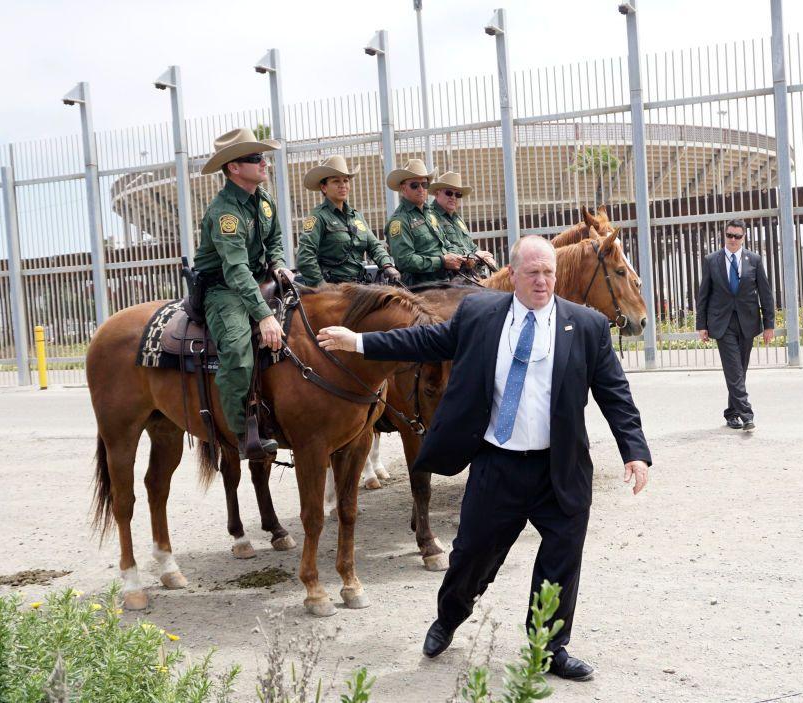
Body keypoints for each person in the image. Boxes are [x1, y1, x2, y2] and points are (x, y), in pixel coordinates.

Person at [317, 235, 652, 681]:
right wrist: (359, 342)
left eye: (548, 272)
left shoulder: (586, 326)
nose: (542, 280)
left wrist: (635, 452)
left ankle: (549, 648)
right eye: (532, 272)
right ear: (513, 275)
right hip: (499, 463)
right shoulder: (480, 315)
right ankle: (449, 618)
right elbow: (425, 340)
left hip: (561, 469)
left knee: (561, 562)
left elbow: (615, 392)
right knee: (472, 558)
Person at [193, 127, 295, 457]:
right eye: (256, 158)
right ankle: (240, 433)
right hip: (224, 289)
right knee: (238, 350)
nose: (264, 163)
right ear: (234, 168)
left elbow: (276, 239)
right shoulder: (225, 212)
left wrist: (279, 262)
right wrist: (264, 315)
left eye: (263, 156)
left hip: (259, 278)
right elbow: (235, 270)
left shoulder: (263, 201)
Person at [695, 219, 776, 432]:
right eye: (729, 235)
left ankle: (732, 413)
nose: (733, 239)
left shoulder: (755, 260)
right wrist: (701, 325)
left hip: (747, 321)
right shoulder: (711, 260)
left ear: (744, 238)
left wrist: (769, 325)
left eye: (737, 236)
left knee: (740, 370)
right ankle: (747, 415)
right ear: (724, 235)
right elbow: (703, 295)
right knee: (733, 369)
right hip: (722, 323)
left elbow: (765, 294)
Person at [297, 155, 400, 286]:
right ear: (324, 187)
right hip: (333, 289)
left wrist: (387, 265)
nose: (342, 185)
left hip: (359, 285)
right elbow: (305, 258)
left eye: (345, 180)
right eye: (336, 181)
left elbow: (374, 246)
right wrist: (322, 287)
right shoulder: (317, 217)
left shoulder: (356, 216)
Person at [384, 158, 465, 285]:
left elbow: (445, 244)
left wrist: (462, 257)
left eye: (425, 184)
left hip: (444, 281)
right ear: (403, 188)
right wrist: (442, 261)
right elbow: (404, 260)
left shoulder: (430, 214)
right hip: (420, 287)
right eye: (415, 185)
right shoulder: (399, 221)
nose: (421, 189)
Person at [427, 171, 497, 273]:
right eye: (449, 193)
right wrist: (475, 256)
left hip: (467, 274)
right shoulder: (430, 217)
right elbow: (444, 249)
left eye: (458, 194)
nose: (453, 197)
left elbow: (469, 244)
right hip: (448, 277)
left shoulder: (457, 218)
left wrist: (483, 255)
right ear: (437, 194)